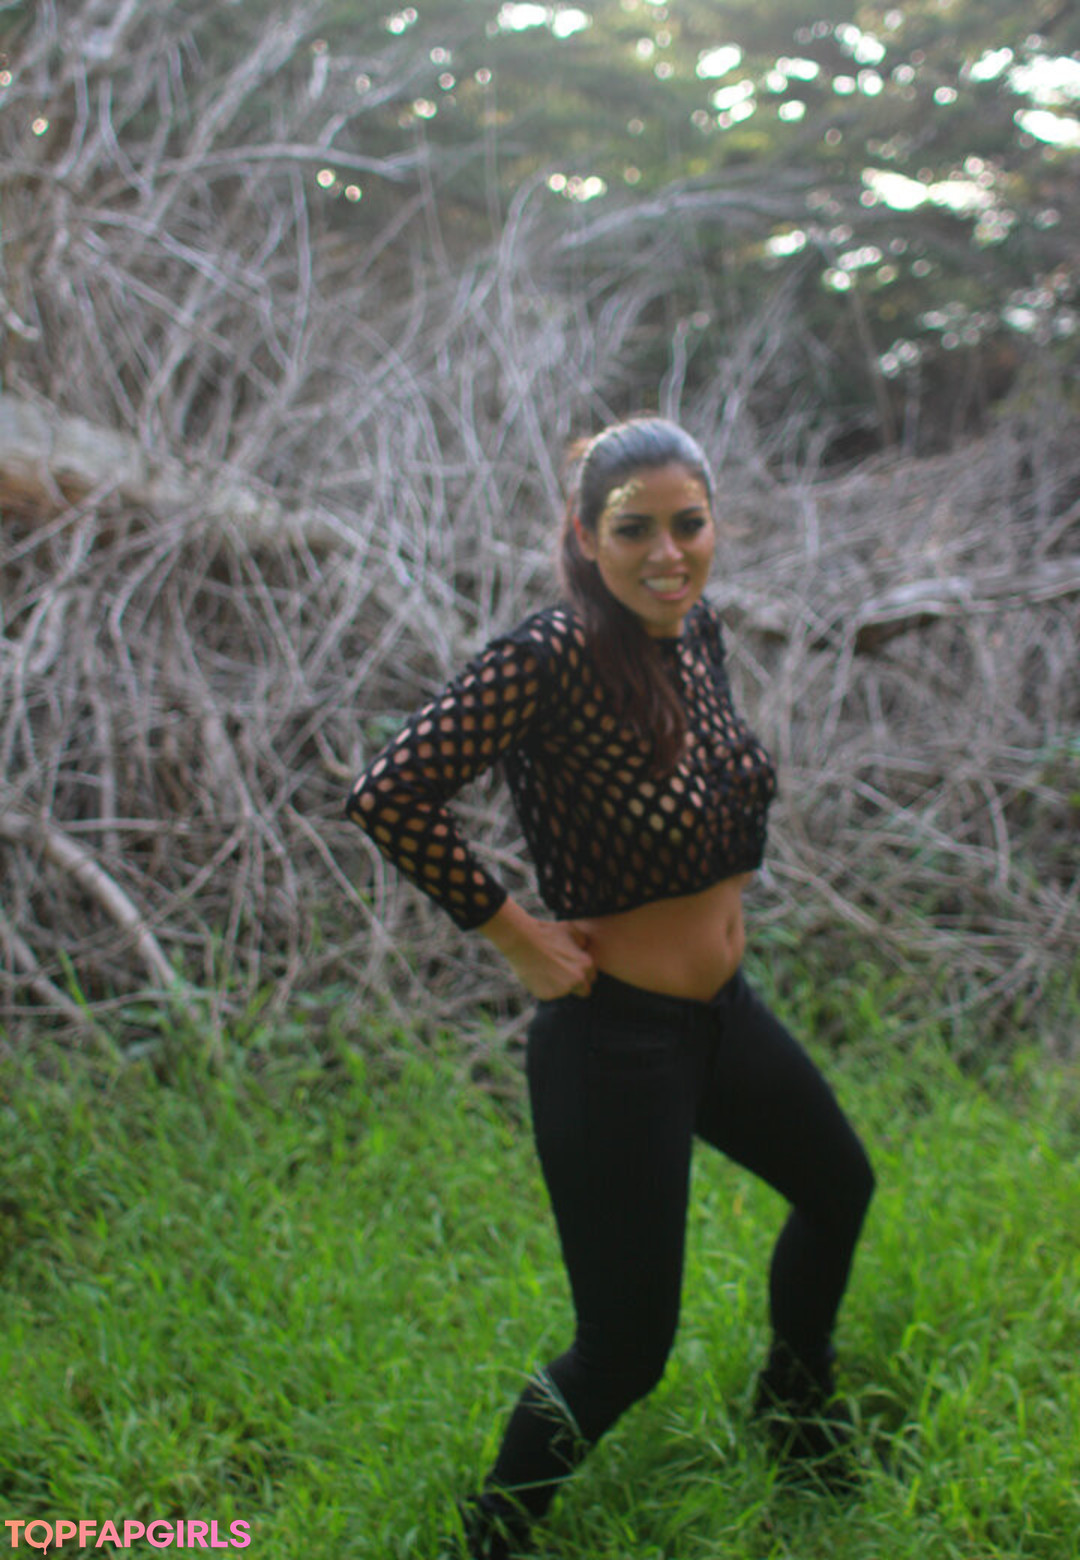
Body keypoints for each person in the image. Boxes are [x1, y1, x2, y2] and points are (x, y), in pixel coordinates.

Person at [346, 417, 875, 1558]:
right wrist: (514, 936)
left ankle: (793, 1405)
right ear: (585, 537)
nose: (667, 554)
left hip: (722, 1017)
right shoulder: (549, 658)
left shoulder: (695, 633)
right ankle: (493, 1535)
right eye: (634, 531)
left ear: (714, 526)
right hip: (615, 1042)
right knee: (625, 1352)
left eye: (689, 525)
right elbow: (391, 792)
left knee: (839, 1187)